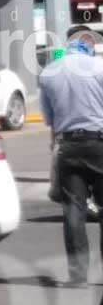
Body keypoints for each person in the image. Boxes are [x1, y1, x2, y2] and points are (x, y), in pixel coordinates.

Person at [39, 29, 103, 286]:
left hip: (68, 147)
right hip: (99, 143)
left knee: (74, 212)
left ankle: (78, 276)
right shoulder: (99, 69)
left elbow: (48, 119)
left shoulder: (49, 73)